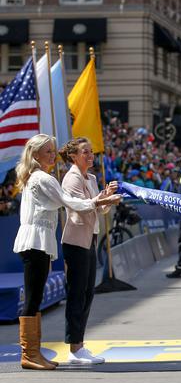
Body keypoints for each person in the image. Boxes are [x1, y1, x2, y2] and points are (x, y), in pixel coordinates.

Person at [13, 134, 121, 370]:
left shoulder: (39, 177)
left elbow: (75, 203)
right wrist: (102, 201)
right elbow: (71, 203)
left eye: (53, 151)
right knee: (34, 298)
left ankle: (33, 352)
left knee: (37, 297)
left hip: (38, 241)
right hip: (37, 241)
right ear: (35, 155)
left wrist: (100, 200)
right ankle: (30, 354)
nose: (53, 155)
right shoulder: (43, 178)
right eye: (48, 152)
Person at [59, 137, 117, 364]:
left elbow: (97, 209)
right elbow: (82, 207)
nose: (90, 155)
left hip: (89, 238)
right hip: (75, 241)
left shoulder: (91, 177)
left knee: (87, 293)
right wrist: (103, 199)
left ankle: (79, 345)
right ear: (74, 156)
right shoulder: (70, 179)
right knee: (77, 293)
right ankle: (75, 348)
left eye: (91, 152)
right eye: (85, 152)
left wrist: (106, 198)